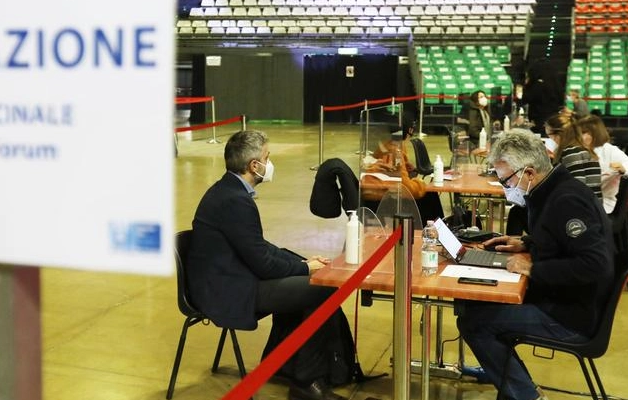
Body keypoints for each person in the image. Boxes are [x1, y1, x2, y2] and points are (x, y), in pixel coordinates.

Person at [187, 130, 349, 400]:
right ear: (254, 166)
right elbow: (262, 263)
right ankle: (306, 381)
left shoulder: (230, 191)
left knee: (306, 284)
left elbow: (258, 247)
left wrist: (302, 262)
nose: (269, 163)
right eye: (267, 158)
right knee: (323, 289)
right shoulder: (234, 201)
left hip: (233, 276)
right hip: (227, 290)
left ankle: (285, 364)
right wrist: (306, 269)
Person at [457, 129, 615, 400]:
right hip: (562, 300)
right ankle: (518, 387)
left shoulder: (566, 200)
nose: (504, 186)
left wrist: (532, 268)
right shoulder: (551, 190)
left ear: (529, 173)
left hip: (571, 315)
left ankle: (526, 395)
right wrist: (528, 243)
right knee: (472, 306)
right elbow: (559, 239)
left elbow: (595, 264)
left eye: (506, 179)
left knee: (474, 323)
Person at [361, 119, 444, 224]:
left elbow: (396, 175)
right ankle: (436, 230)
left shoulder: (392, 145)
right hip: (381, 200)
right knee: (429, 196)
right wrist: (421, 184)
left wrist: (408, 171)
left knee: (428, 194)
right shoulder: (395, 151)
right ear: (409, 130)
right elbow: (407, 188)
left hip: (383, 194)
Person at [577, 114, 628, 214]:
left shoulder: (610, 151)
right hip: (579, 200)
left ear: (595, 134)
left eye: (583, 133)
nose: (579, 137)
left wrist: (624, 168)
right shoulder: (576, 150)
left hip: (600, 205)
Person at [544, 111, 602, 201]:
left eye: (549, 135)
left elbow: (576, 189)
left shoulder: (571, 152)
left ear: (558, 135)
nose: (551, 139)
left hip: (583, 210)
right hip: (591, 207)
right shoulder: (582, 149)